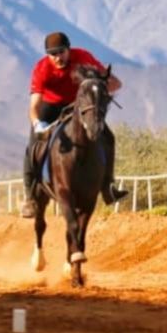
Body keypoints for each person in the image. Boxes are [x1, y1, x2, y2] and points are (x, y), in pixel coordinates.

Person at [19, 32, 128, 218]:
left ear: (69, 50)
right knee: (32, 147)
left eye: (61, 52)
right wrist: (37, 124)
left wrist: (99, 90)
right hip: (50, 107)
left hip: (79, 106)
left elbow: (114, 83)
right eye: (53, 54)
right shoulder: (41, 69)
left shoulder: (83, 57)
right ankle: (30, 197)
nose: (57, 57)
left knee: (108, 137)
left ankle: (108, 187)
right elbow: (34, 106)